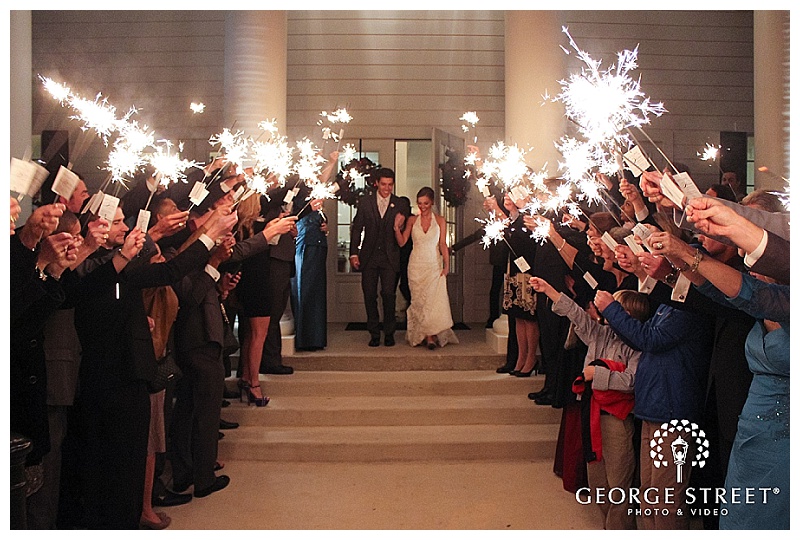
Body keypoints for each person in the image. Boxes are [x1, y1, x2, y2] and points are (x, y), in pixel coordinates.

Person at [394, 186, 458, 349]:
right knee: (418, 302)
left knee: (432, 302)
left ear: (432, 203)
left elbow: (443, 244)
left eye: (426, 203)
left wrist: (446, 265)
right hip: (416, 265)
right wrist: (396, 228)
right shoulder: (412, 220)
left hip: (433, 265)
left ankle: (430, 336)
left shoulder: (440, 221)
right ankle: (422, 334)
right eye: (420, 203)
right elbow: (402, 242)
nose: (422, 207)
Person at [349, 168, 404, 347]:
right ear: (376, 183)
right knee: (369, 295)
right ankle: (373, 333)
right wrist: (354, 252)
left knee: (389, 295)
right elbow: (357, 228)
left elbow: (404, 231)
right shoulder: (365, 202)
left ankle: (389, 333)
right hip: (369, 256)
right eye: (383, 184)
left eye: (390, 184)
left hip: (390, 257)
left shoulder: (399, 203)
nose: (387, 188)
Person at [291, 204, 329, 351]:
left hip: (318, 247)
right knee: (304, 289)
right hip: (305, 246)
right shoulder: (301, 202)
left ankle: (316, 338)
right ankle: (305, 338)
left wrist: (325, 228)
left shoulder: (319, 205)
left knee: (317, 293)